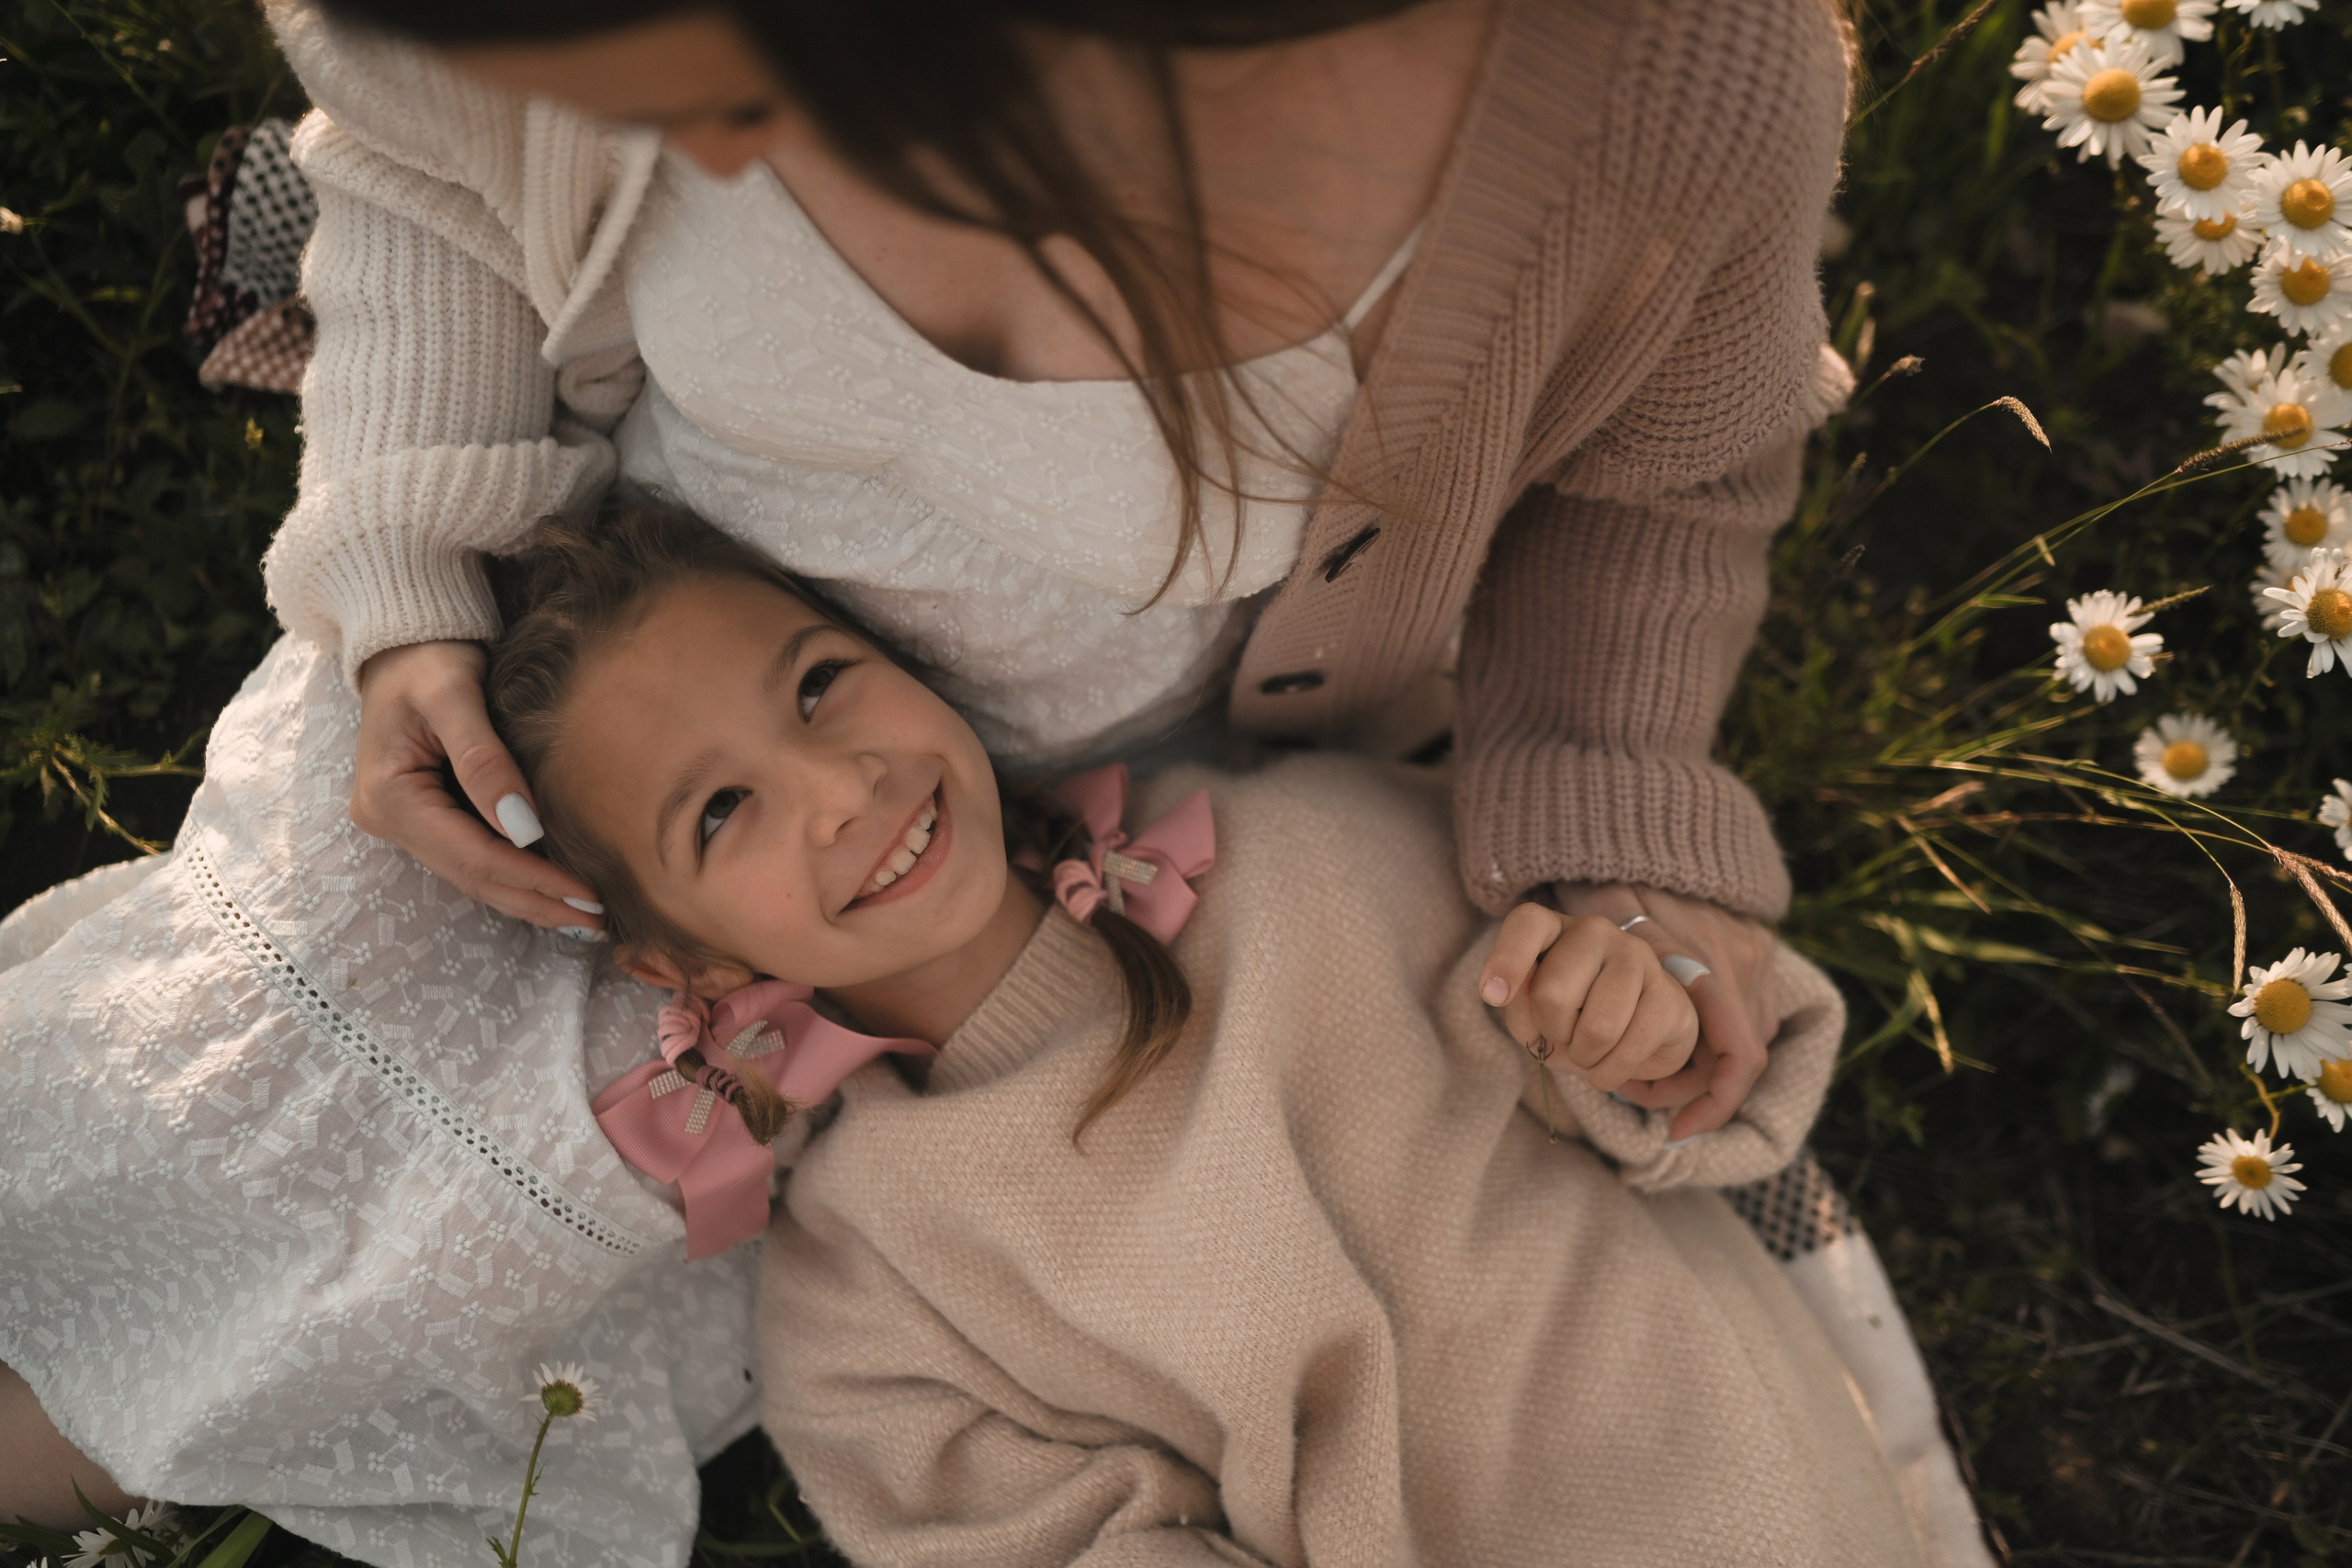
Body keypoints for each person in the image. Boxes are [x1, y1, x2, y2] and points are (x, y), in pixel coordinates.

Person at [0, 1, 1992, 1562]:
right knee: (266, 1098)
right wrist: (412, 565)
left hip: (1089, 799)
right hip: (613, 662)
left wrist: (1606, 827)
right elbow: (431, 162)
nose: (709, 157)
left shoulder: (1644, 89)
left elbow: (1663, 476)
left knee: (573, 1242)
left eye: (749, 93)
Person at [478, 500, 1918, 1566]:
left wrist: (1635, 1017)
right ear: (680, 958)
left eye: (817, 685)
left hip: (1717, 1480)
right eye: (722, 812)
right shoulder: (861, 1306)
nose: (840, 787)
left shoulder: (1300, 852)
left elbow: (1690, 1066)